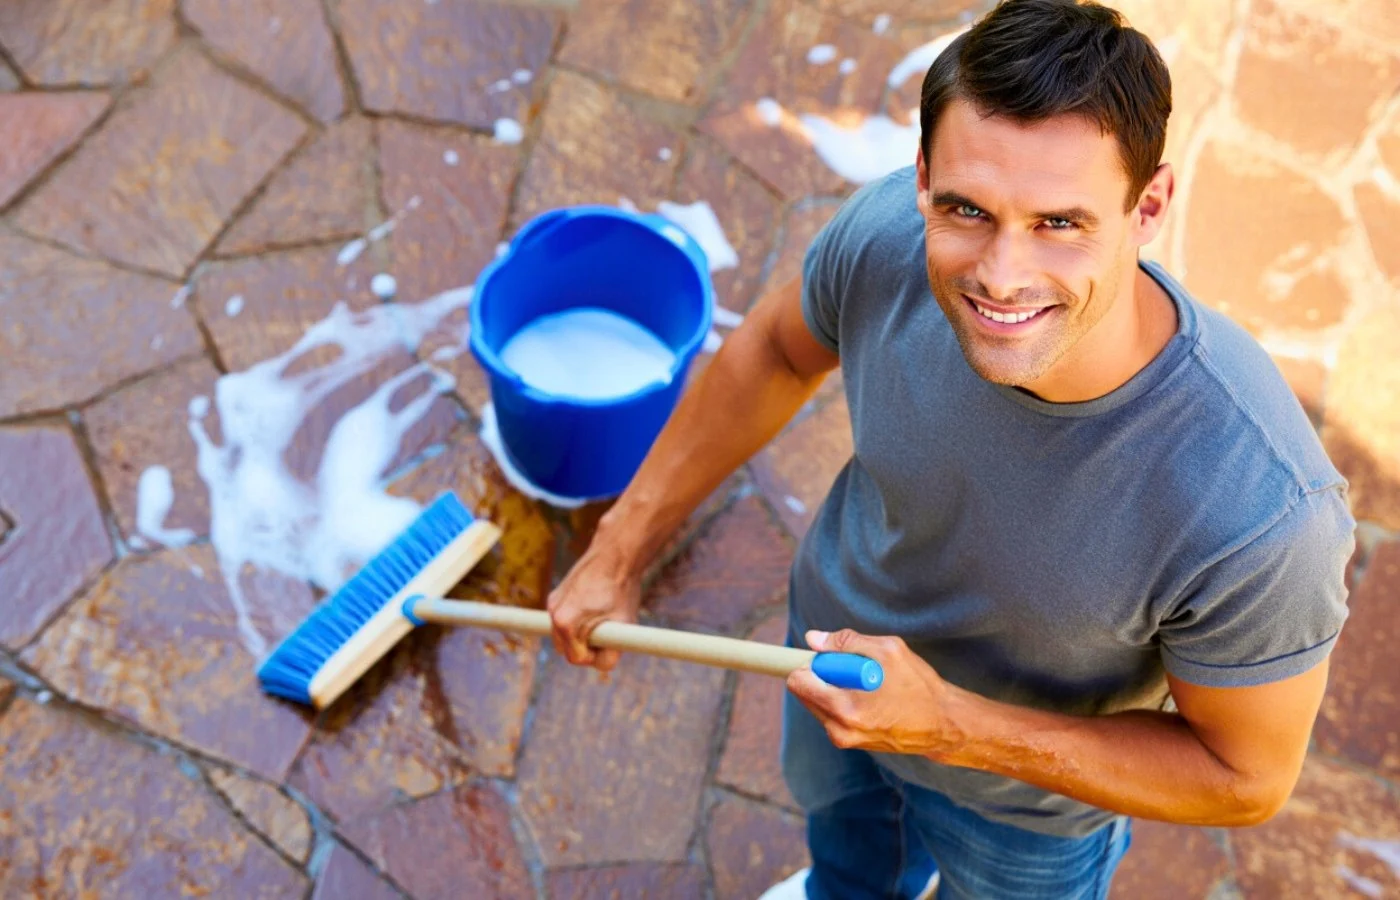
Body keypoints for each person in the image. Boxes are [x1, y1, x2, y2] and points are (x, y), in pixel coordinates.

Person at [546, 1, 1355, 897]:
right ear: (924, 176)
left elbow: (1243, 777)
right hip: (826, 667)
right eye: (968, 209)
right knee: (850, 874)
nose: (1000, 277)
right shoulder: (892, 232)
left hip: (1022, 816)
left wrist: (943, 727)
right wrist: (618, 548)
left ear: (1149, 204)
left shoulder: (1261, 511)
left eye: (1059, 223)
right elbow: (778, 347)